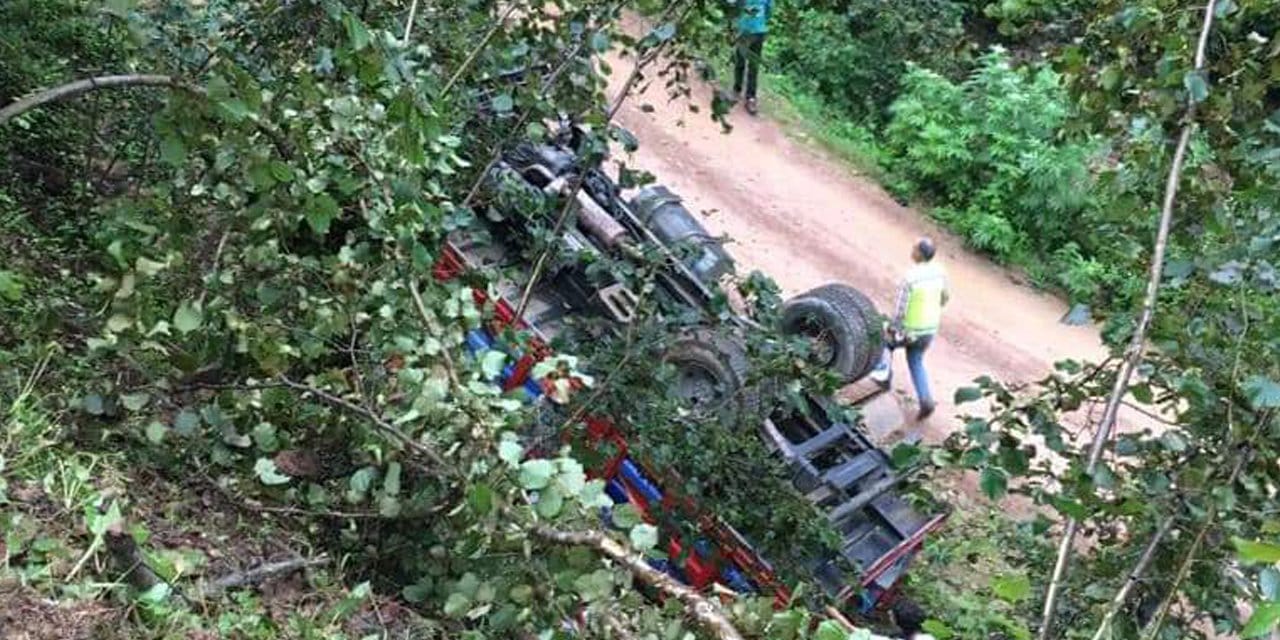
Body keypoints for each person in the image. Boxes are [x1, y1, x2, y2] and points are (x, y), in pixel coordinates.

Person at [872, 238, 948, 420]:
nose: (911, 250)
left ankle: (883, 376)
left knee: (883, 342)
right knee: (916, 360)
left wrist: (892, 328)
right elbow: (945, 298)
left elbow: (900, 310)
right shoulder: (940, 272)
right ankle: (925, 400)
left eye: (914, 248)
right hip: (929, 329)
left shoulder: (910, 277)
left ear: (919, 254)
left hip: (910, 329)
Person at [729, 0, 772, 115]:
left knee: (754, 66)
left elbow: (768, 12)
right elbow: (732, 5)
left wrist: (760, 23)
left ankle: (750, 98)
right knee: (740, 61)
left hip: (759, 32)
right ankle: (736, 89)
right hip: (743, 31)